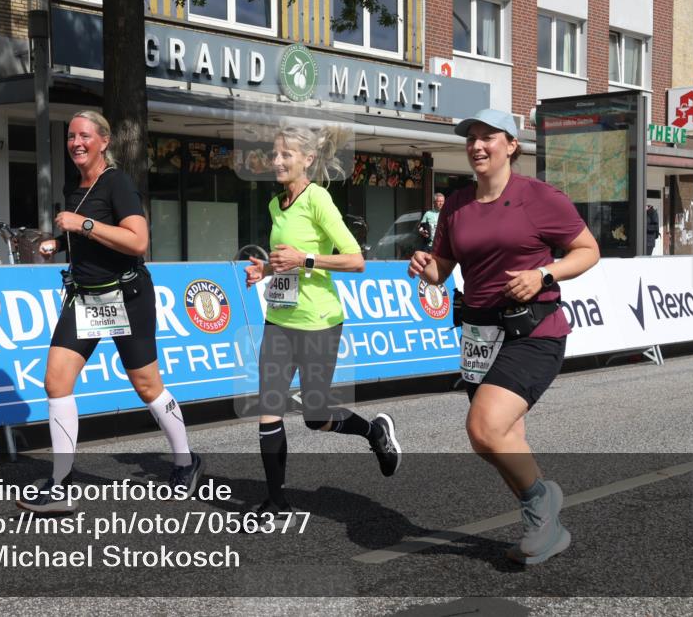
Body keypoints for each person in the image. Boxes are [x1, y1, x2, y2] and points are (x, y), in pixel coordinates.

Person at [407, 108, 599, 564]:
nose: (476, 145)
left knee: (484, 427)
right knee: (496, 438)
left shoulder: (539, 197)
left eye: (487, 137)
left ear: (511, 145)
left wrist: (544, 274)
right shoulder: (456, 204)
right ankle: (544, 526)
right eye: (470, 138)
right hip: (479, 334)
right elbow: (443, 269)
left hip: (533, 331)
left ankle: (540, 501)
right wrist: (426, 267)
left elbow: (588, 251)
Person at [18, 110, 202, 513]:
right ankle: (60, 482)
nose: (76, 143)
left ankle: (186, 461)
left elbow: (137, 241)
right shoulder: (75, 186)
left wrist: (82, 224)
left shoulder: (117, 183)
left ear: (104, 141)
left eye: (84, 136)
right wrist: (60, 243)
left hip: (127, 296)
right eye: (71, 136)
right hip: (85, 298)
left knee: (147, 386)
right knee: (56, 382)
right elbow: (91, 236)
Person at [244, 124, 401, 522]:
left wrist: (305, 259)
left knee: (316, 417)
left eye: (286, 155)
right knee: (269, 406)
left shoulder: (318, 200)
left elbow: (355, 260)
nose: (277, 161)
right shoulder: (275, 204)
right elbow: (285, 260)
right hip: (279, 319)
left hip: (318, 321)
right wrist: (265, 270)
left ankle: (374, 432)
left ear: (308, 159)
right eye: (275, 154)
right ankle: (276, 503)